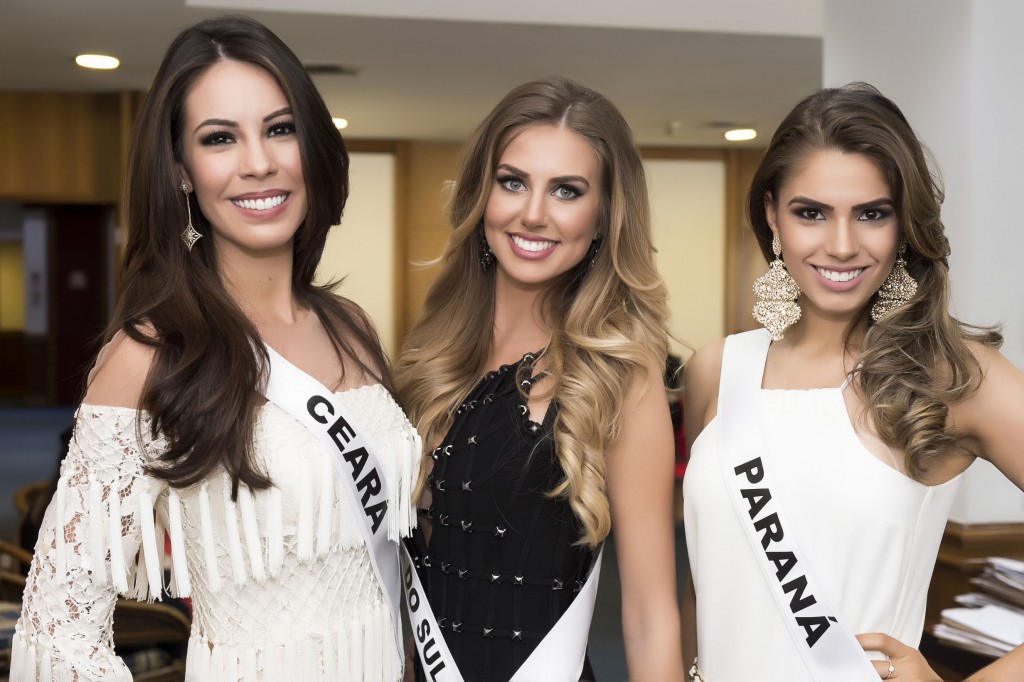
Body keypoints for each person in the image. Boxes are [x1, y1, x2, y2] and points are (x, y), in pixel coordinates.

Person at [12, 15, 420, 681]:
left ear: (309, 145)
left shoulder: (352, 328)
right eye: (220, 138)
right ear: (180, 171)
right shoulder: (151, 354)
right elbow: (56, 629)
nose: (259, 162)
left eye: (279, 129)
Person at [682, 82, 1024, 681]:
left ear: (902, 225)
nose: (841, 246)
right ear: (772, 215)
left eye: (871, 214)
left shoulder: (952, 377)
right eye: (811, 212)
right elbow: (708, 576)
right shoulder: (717, 370)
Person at [395, 76, 684, 681]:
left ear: (603, 217)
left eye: (567, 191)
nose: (533, 213)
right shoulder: (428, 359)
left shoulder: (619, 378)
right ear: (483, 195)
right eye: (513, 181)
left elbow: (650, 615)